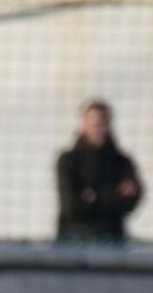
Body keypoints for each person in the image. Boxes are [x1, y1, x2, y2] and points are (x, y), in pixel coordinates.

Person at [55, 100, 143, 242]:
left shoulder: (121, 162)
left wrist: (92, 197)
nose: (97, 129)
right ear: (83, 125)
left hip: (112, 241)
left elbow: (132, 199)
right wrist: (113, 194)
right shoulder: (69, 161)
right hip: (74, 242)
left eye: (101, 124)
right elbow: (71, 206)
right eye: (93, 124)